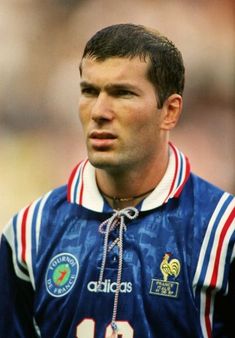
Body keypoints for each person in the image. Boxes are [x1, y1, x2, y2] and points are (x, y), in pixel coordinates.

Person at [0, 23, 234, 338]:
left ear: (170, 111)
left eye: (122, 93)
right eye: (89, 91)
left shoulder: (222, 231)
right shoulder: (30, 231)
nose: (99, 111)